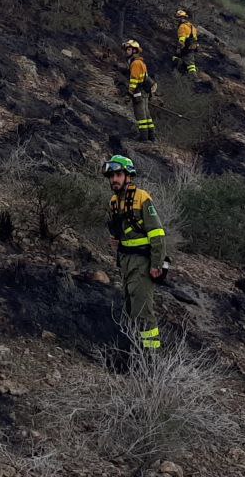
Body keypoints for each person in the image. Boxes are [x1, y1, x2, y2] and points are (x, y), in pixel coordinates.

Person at [104, 155, 167, 350]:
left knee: (143, 312)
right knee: (130, 309)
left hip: (143, 262)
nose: (114, 179)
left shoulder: (142, 198)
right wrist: (117, 244)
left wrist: (157, 264)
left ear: (128, 176)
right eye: (111, 176)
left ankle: (151, 357)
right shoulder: (114, 202)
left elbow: (157, 234)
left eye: (118, 174)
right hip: (126, 262)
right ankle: (135, 352)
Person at [123, 39, 156, 141]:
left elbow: (134, 79)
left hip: (138, 93)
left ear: (134, 51)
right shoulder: (140, 62)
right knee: (147, 115)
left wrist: (129, 93)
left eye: (128, 49)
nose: (126, 52)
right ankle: (152, 137)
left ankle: (144, 138)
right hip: (144, 92)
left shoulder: (135, 63)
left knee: (141, 117)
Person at [171, 9, 199, 76]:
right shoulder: (192, 26)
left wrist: (179, 47)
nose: (177, 20)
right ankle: (189, 75)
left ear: (181, 18)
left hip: (185, 45)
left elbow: (182, 37)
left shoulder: (182, 26)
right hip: (192, 46)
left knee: (177, 57)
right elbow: (195, 38)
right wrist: (196, 46)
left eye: (178, 18)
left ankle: (192, 76)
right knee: (190, 63)